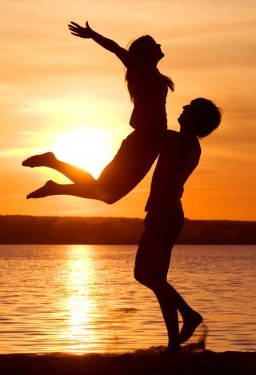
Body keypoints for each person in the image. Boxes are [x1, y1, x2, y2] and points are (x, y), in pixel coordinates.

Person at [22, 21, 174, 203]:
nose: (159, 45)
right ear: (145, 53)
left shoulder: (155, 75)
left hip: (151, 141)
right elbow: (116, 48)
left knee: (108, 194)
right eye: (153, 44)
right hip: (144, 139)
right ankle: (53, 167)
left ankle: (53, 178)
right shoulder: (140, 68)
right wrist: (93, 35)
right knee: (105, 191)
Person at [134, 98, 222, 354]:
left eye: (189, 108)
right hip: (160, 214)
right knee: (143, 274)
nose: (182, 108)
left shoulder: (182, 142)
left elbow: (148, 133)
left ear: (195, 119)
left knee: (156, 278)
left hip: (166, 215)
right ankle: (189, 314)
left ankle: (174, 344)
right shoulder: (182, 141)